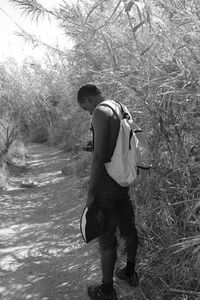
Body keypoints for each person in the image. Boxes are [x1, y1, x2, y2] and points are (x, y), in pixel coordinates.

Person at [77, 84, 139, 300]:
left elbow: (99, 157)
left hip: (106, 184)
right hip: (122, 178)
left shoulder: (100, 111)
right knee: (128, 228)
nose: (88, 112)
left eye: (85, 108)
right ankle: (130, 272)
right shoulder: (120, 107)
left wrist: (91, 191)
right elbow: (117, 145)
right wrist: (94, 146)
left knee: (106, 240)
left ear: (87, 100)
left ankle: (106, 291)